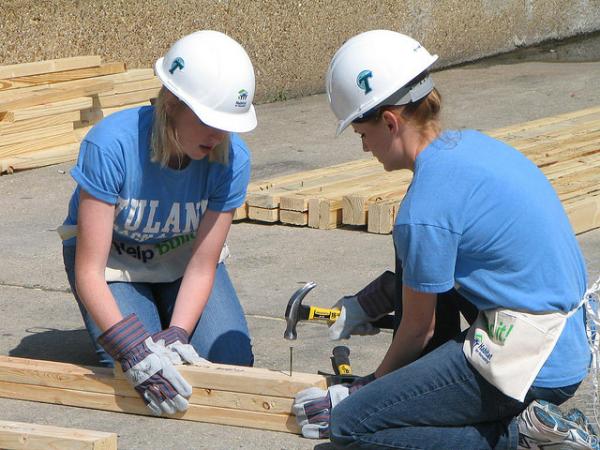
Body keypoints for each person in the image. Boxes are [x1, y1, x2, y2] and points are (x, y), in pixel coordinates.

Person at [293, 29, 600, 449]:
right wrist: (374, 299)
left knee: (351, 427)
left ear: (389, 121)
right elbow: (451, 267)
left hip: (532, 362)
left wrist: (366, 389)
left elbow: (420, 328)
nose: (365, 148)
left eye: (362, 135)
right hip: (567, 340)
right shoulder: (472, 148)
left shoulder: (423, 211)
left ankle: (522, 437)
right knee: (409, 256)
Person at [58, 30, 256, 416]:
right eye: (208, 120)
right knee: (139, 376)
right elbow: (89, 271)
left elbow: (202, 266)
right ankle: (145, 323)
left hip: (183, 264)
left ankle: (167, 320)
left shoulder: (233, 161)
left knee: (227, 362)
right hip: (116, 268)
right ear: (171, 103)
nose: (219, 136)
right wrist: (134, 351)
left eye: (227, 124)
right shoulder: (111, 145)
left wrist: (180, 333)